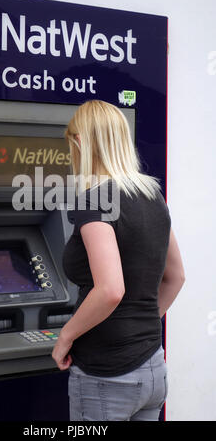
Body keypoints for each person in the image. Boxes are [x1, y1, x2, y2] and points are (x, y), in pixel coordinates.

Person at [51, 100, 185, 421]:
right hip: (152, 368)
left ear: (80, 142)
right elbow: (176, 276)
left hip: (105, 376)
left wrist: (65, 337)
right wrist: (137, 327)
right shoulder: (153, 196)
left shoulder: (94, 199)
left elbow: (110, 289)